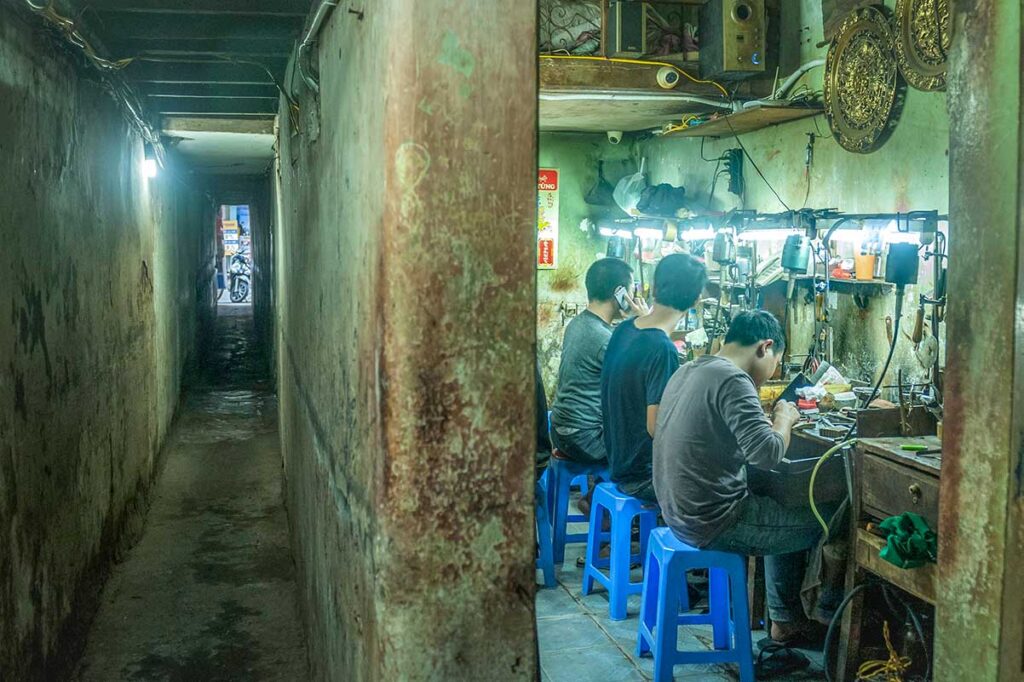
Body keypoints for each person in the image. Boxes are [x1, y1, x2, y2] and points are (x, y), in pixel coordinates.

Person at [653, 310, 832, 643]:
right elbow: (767, 454)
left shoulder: (691, 368)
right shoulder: (734, 380)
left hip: (677, 514)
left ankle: (784, 618)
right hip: (714, 521)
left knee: (783, 500)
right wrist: (783, 416)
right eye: (775, 363)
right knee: (830, 519)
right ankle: (823, 620)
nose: (771, 374)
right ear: (765, 347)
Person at [601, 253, 708, 503]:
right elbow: (657, 427)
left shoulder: (624, 329)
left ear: (655, 286)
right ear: (696, 300)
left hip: (617, 461)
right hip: (643, 477)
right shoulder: (662, 349)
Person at [550, 258, 645, 466]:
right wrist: (645, 325)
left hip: (560, 431)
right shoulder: (604, 338)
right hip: (586, 440)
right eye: (631, 290)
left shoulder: (577, 324)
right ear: (620, 293)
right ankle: (608, 493)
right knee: (651, 444)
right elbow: (640, 378)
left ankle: (594, 495)